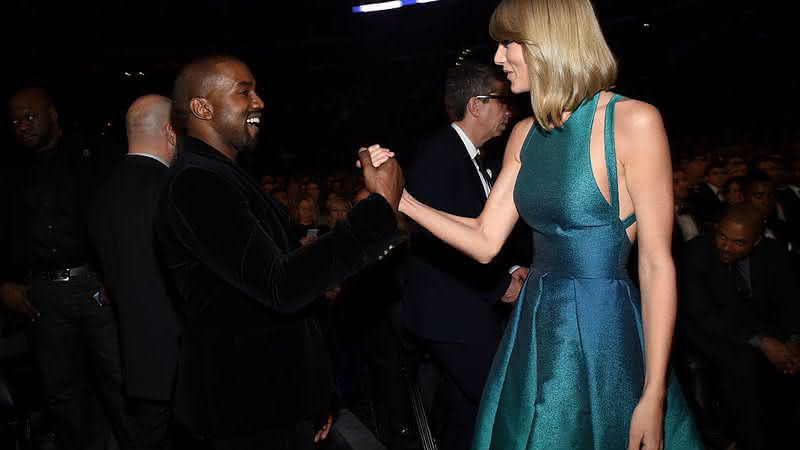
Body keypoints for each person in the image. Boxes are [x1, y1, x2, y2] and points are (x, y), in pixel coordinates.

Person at [367, 0, 703, 448]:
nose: (500, 57)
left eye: (509, 43)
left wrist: (654, 393)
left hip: (603, 327)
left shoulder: (633, 122)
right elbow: (485, 240)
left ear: (550, 41)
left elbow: (657, 265)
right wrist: (399, 198)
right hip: (534, 322)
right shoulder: (524, 134)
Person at [154, 55, 404, 450]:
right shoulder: (195, 183)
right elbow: (281, 284)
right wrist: (379, 209)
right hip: (244, 410)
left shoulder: (224, 177)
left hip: (272, 401)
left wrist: (315, 393)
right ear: (202, 108)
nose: (259, 102)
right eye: (244, 91)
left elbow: (286, 298)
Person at [401, 61, 527, 450]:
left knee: (466, 416)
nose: (509, 112)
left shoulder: (477, 158)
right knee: (505, 405)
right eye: (501, 102)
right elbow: (441, 243)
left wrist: (511, 269)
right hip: (449, 314)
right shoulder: (439, 157)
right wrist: (500, 284)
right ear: (476, 105)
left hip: (466, 307)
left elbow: (480, 229)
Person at [0, 87, 131, 450]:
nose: (22, 126)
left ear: (52, 114)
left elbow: (117, 217)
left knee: (118, 381)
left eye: (29, 117)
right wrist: (5, 282)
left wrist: (113, 273)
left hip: (94, 283)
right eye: (15, 121)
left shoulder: (91, 154)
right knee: (63, 392)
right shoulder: (10, 169)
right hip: (41, 294)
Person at [89, 95, 180, 450]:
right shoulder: (172, 190)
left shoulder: (101, 194)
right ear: (171, 132)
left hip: (134, 360)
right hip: (183, 361)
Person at [679, 204, 800, 449]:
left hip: (757, 325)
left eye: (738, 242)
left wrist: (794, 340)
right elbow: (703, 315)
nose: (725, 246)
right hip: (707, 330)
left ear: (756, 242)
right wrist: (762, 341)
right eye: (722, 236)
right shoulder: (695, 253)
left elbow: (789, 300)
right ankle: (748, 440)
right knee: (740, 361)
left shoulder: (773, 253)